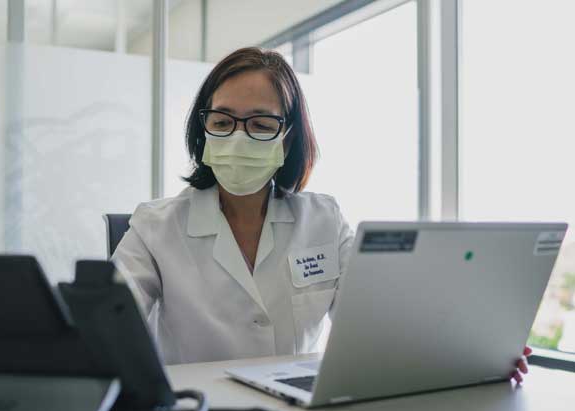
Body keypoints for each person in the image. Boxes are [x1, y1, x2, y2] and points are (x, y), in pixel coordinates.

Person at [113, 47, 531, 383]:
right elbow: (104, 322)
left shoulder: (324, 219)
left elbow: (379, 325)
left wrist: (474, 353)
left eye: (260, 125)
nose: (238, 137)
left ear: (289, 136)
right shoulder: (154, 226)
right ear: (203, 127)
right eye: (222, 121)